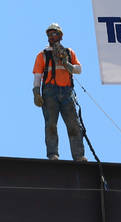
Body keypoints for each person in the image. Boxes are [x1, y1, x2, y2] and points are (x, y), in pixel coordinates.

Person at [32, 22, 87, 161]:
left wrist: (67, 64)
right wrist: (36, 93)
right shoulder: (43, 55)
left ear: (60, 36)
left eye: (54, 33)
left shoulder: (68, 52)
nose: (52, 36)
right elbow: (37, 76)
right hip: (50, 92)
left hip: (67, 92)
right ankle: (53, 154)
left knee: (73, 125)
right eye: (49, 34)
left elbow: (79, 69)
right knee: (51, 124)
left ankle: (79, 156)